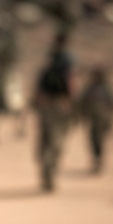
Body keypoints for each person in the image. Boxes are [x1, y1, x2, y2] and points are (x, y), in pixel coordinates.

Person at [33, 30, 75, 192]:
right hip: (59, 103)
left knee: (46, 138)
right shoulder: (66, 59)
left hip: (45, 103)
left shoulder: (50, 57)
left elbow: (40, 81)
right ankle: (49, 173)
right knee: (55, 140)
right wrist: (71, 101)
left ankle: (46, 173)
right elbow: (70, 81)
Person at [77, 67, 113, 174]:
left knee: (99, 140)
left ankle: (99, 160)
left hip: (103, 119)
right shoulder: (90, 88)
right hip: (93, 120)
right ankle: (96, 160)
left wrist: (110, 118)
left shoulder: (106, 89)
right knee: (93, 140)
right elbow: (82, 102)